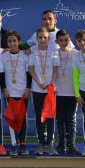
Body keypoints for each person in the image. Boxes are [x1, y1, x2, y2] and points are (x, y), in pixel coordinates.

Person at [28, 27, 59, 156]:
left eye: (44, 37)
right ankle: (41, 143)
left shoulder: (54, 51)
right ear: (36, 39)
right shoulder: (32, 51)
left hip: (50, 90)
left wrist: (51, 83)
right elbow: (30, 69)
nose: (42, 39)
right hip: (37, 89)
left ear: (49, 38)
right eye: (40, 37)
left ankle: (50, 144)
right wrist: (39, 82)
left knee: (50, 117)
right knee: (39, 117)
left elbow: (56, 69)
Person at [1, 31, 31, 156]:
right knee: (11, 118)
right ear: (7, 43)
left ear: (18, 42)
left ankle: (22, 144)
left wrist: (28, 88)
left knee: (22, 118)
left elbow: (29, 73)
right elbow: (1, 74)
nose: (12, 43)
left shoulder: (25, 56)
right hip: (10, 92)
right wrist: (4, 88)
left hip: (23, 92)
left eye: (14, 41)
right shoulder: (3, 56)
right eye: (10, 41)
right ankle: (14, 144)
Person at [54, 30, 81, 155]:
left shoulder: (76, 53)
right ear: (57, 42)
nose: (64, 42)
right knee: (60, 120)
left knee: (71, 120)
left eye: (66, 40)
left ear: (70, 41)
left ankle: (71, 144)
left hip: (72, 93)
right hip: (58, 93)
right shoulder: (54, 54)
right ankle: (61, 144)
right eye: (61, 40)